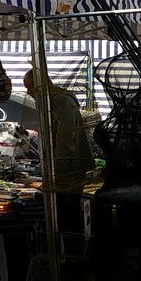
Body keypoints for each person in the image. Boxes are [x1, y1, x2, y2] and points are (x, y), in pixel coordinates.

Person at [23, 69, 94, 232]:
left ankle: (72, 253)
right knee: (62, 216)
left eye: (30, 88)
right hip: (61, 169)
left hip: (70, 169)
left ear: (41, 85)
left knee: (68, 216)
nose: (28, 93)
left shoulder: (61, 101)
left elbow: (65, 140)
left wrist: (56, 174)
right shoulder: (48, 100)